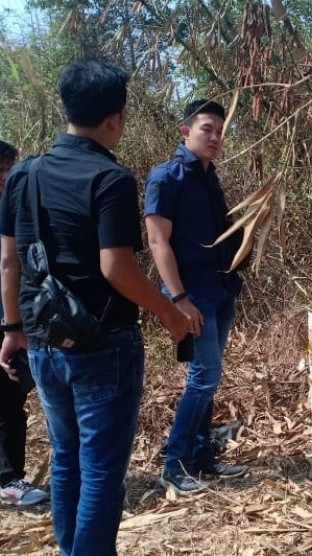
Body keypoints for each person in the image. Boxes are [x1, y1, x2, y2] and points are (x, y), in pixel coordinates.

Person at [0, 59, 189, 555]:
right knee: (102, 469)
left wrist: (13, 328)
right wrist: (168, 312)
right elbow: (116, 268)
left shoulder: (23, 175)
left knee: (66, 458)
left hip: (42, 342)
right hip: (103, 343)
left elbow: (8, 261)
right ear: (114, 119)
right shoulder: (111, 179)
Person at [144, 99, 248, 496]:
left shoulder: (210, 176)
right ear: (185, 131)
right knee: (202, 380)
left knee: (208, 380)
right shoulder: (166, 178)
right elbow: (157, 241)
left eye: (220, 131)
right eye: (207, 129)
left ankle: (203, 459)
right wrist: (179, 299)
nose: (215, 137)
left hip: (220, 292)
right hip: (193, 297)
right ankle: (175, 466)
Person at [0, 140, 48, 507]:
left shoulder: (19, 213)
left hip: (15, 323)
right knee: (6, 402)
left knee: (12, 398)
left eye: (9, 171)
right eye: (1, 172)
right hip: (7, 326)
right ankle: (8, 480)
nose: (6, 179)